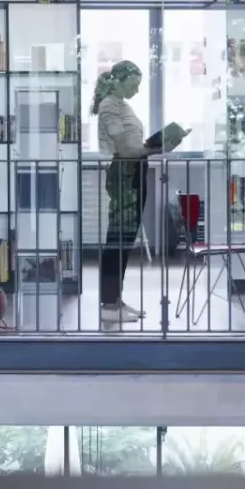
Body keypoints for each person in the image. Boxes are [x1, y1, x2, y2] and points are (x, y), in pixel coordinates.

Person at [91, 60, 154, 325]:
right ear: (118, 81)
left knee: (125, 240)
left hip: (134, 171)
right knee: (117, 240)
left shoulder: (122, 105)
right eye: (133, 85)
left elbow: (132, 146)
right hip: (125, 172)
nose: (137, 91)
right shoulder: (109, 106)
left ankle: (115, 299)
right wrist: (156, 147)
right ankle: (108, 302)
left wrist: (151, 147)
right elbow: (124, 148)